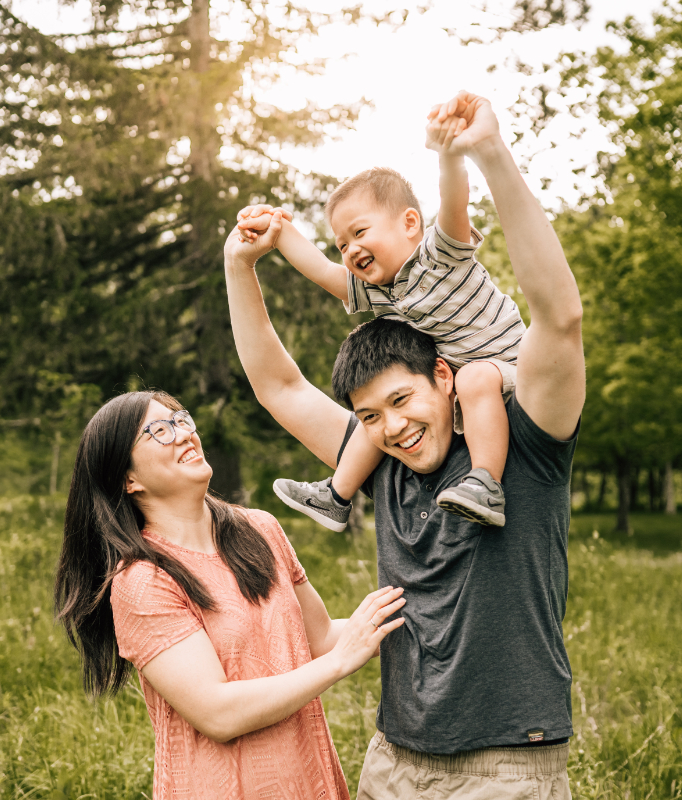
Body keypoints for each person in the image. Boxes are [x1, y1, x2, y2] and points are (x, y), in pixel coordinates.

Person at [224, 91, 585, 798]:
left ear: (445, 377)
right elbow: (280, 387)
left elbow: (560, 316)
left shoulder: (530, 446)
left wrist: (487, 153)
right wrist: (242, 266)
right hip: (395, 759)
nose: (392, 426)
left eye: (401, 401)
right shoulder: (382, 460)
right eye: (370, 415)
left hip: (508, 763)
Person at [53, 390, 407, 800]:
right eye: (160, 431)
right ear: (127, 479)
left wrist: (431, 611)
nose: (184, 434)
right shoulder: (142, 581)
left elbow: (323, 639)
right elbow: (218, 712)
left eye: (182, 420)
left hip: (308, 784)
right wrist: (340, 664)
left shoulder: (260, 528)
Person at [236, 108, 524, 533]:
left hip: (509, 365)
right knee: (375, 420)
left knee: (474, 379)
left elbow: (453, 202)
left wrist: (449, 153)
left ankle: (485, 483)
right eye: (342, 244)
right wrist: (279, 231)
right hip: (458, 381)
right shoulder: (378, 290)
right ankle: (336, 496)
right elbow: (322, 270)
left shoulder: (441, 254)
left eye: (359, 232)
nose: (350, 250)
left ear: (409, 223)